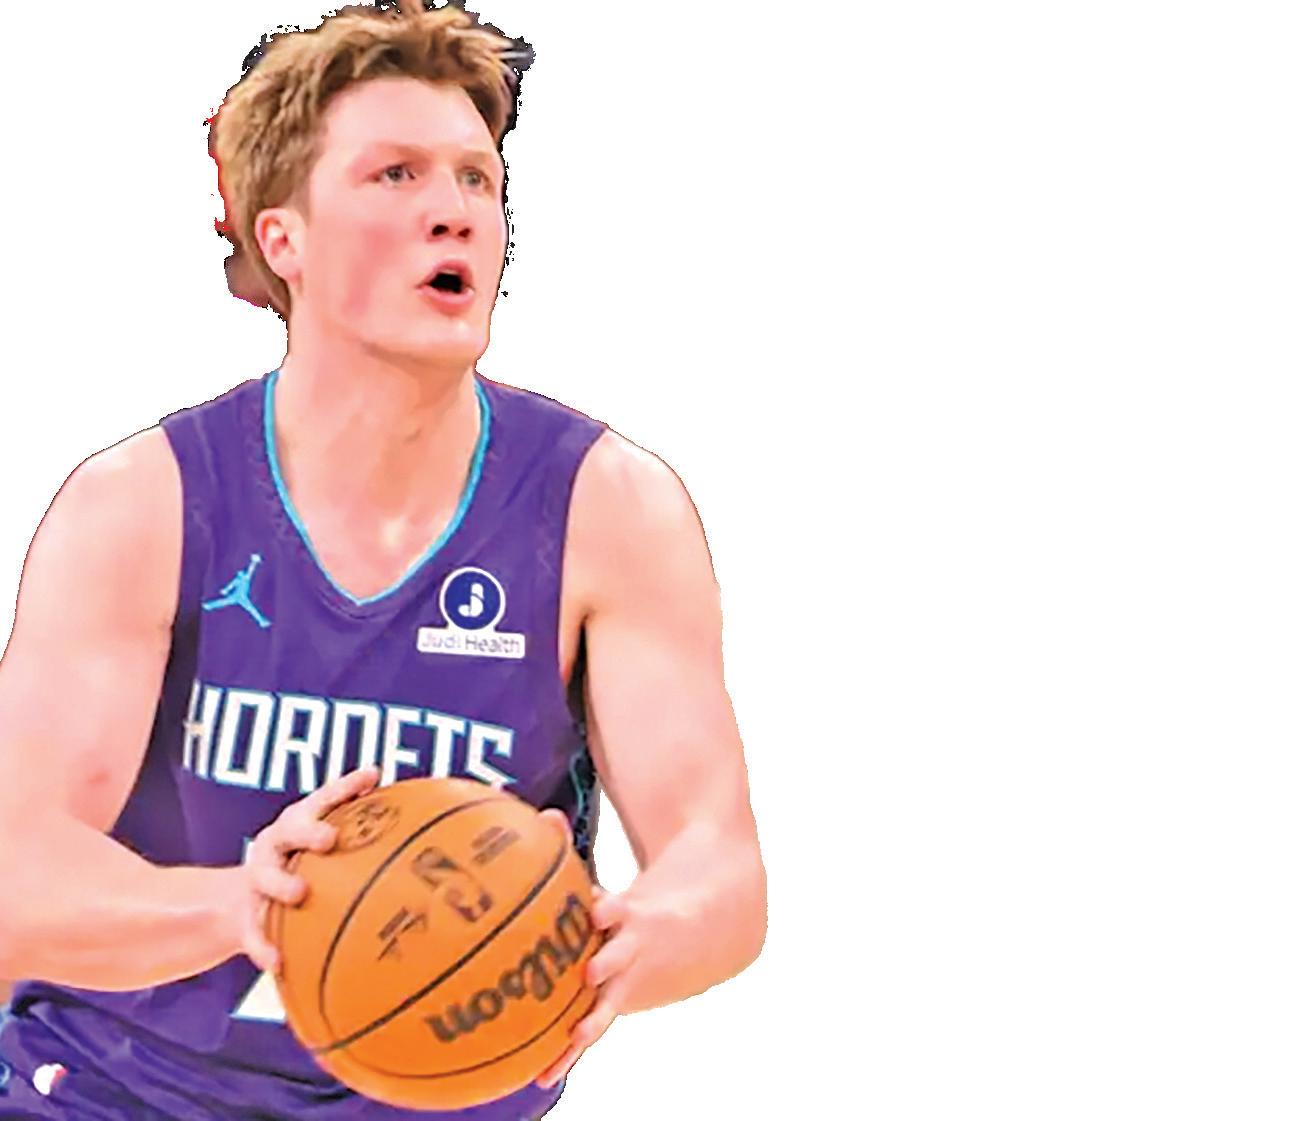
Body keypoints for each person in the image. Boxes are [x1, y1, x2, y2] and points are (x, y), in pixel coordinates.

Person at [0, 1, 767, 1118]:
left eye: (476, 178)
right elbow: (14, 874)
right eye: (395, 174)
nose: (453, 210)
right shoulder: (142, 504)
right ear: (284, 239)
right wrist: (239, 907)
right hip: (114, 1090)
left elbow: (720, 864)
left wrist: (641, 933)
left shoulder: (608, 508)